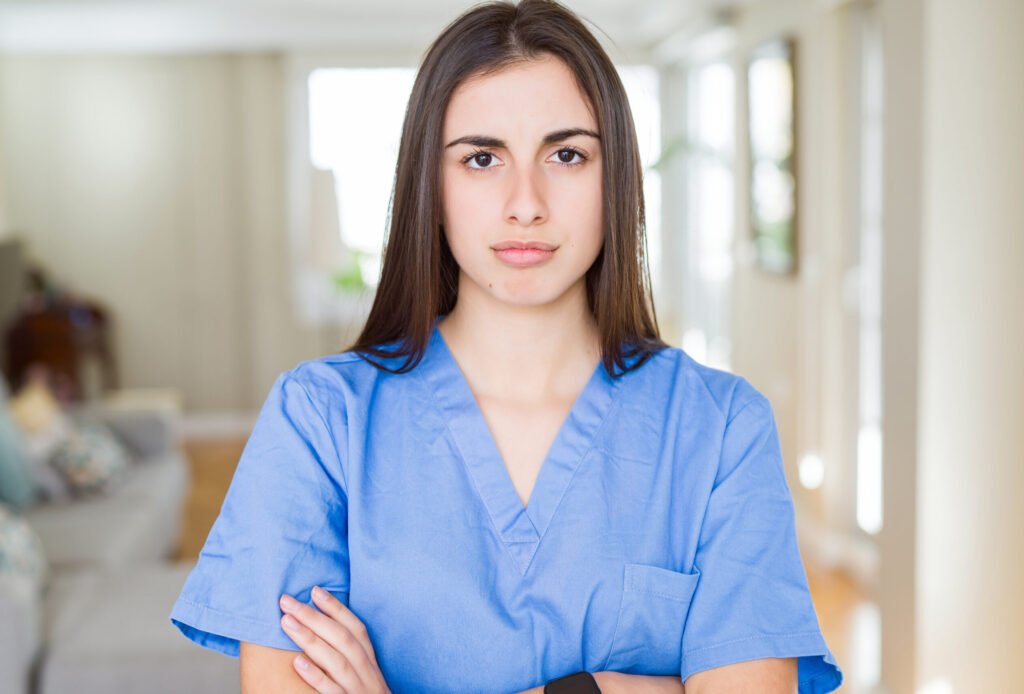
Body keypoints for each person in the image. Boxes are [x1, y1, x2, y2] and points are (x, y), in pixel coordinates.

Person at [169, 1, 844, 692]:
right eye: (483, 158)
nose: (526, 202)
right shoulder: (320, 420)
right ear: (431, 186)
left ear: (615, 183)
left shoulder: (721, 427)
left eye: (567, 154)